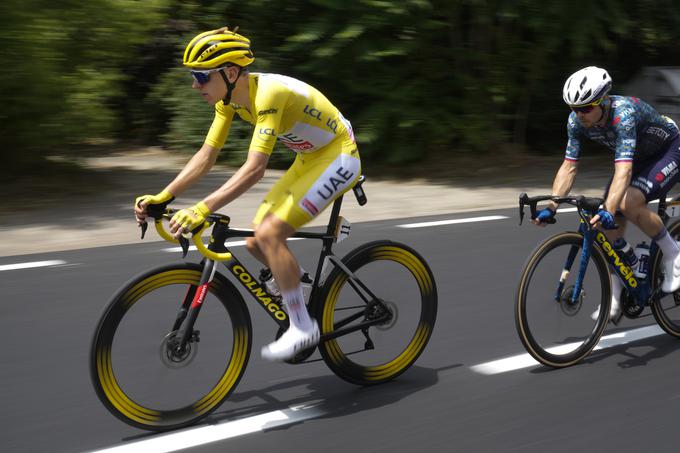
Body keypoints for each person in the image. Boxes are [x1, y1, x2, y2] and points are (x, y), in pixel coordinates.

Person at [134, 27, 361, 360]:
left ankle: (303, 327)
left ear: (229, 73)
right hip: (309, 158)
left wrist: (200, 208)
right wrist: (164, 197)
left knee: (269, 235)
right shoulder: (228, 101)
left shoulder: (269, 95)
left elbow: (255, 169)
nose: (194, 84)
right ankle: (302, 286)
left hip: (339, 156)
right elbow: (206, 156)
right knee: (256, 241)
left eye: (200, 76)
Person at [532, 66, 680, 323]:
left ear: (602, 102)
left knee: (625, 203)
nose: (579, 115)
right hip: (637, 157)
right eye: (574, 109)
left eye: (586, 108)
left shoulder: (623, 114)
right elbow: (569, 166)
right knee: (605, 220)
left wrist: (610, 209)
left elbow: (624, 169)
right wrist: (552, 206)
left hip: (669, 150)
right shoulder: (576, 121)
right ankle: (624, 279)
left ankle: (674, 253)